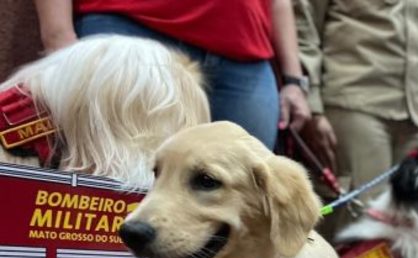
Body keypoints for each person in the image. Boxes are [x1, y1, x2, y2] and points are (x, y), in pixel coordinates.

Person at [33, 0, 311, 150]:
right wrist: (59, 40)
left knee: (243, 204)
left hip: (246, 59)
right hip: (135, 33)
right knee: (120, 188)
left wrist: (294, 80)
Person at [294, 0, 418, 235]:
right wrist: (312, 103)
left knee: (416, 233)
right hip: (356, 103)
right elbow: (303, 25)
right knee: (359, 227)